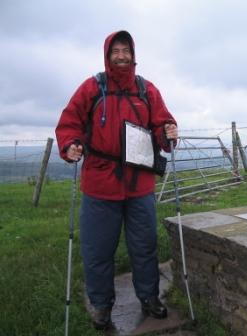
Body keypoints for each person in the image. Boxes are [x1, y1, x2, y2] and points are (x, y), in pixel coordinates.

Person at [55, 30, 177, 330]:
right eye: (116, 51)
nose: (121, 55)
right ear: (107, 55)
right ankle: (101, 306)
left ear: (133, 55)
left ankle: (149, 297)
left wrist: (168, 132)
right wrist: (70, 144)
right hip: (100, 184)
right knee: (98, 250)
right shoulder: (92, 88)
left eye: (126, 50)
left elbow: (162, 124)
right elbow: (69, 121)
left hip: (140, 185)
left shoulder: (147, 90)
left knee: (145, 246)